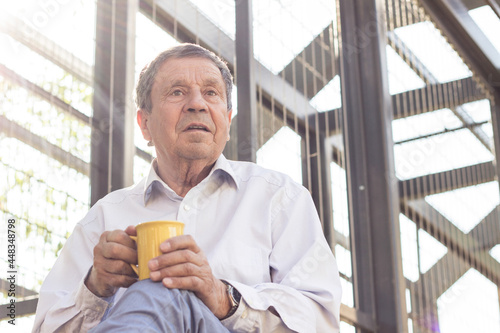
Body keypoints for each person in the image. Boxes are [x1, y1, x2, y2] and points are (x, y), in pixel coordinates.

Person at [33, 43, 342, 333]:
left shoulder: (279, 198)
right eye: (177, 92)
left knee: (161, 291)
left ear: (227, 120)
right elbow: (45, 327)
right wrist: (96, 288)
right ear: (144, 124)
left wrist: (223, 298)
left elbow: (320, 320)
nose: (197, 104)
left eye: (211, 93)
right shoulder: (103, 219)